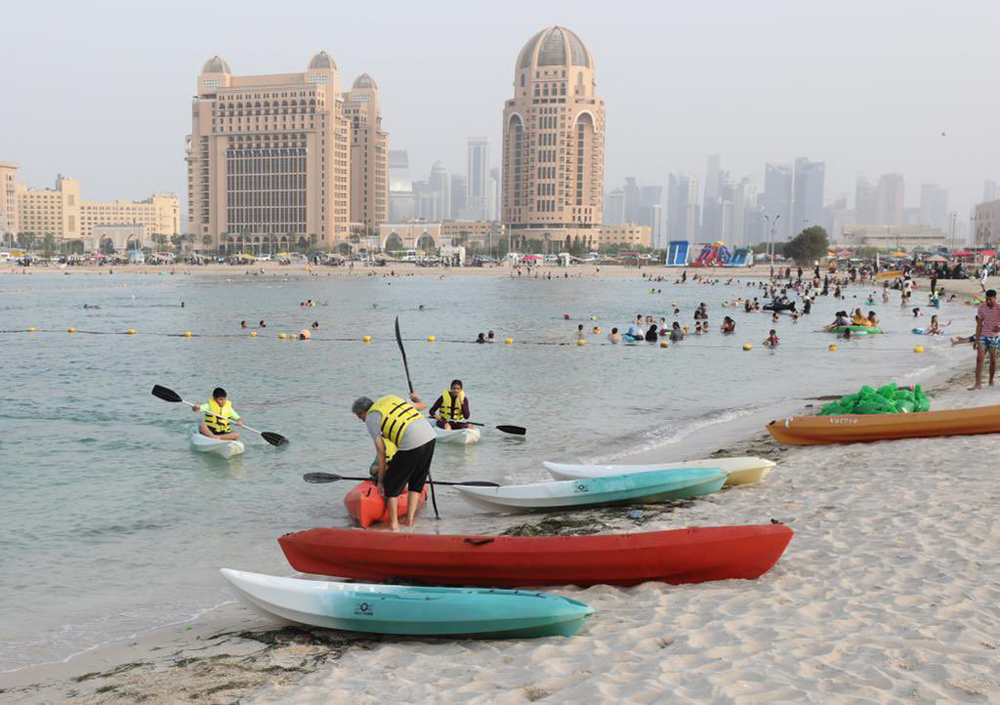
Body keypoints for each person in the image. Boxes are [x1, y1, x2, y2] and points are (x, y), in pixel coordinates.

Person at [352, 391, 436, 531]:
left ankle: (393, 525)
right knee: (417, 480)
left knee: (391, 484)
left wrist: (380, 482)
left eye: (359, 416)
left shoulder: (371, 418)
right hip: (430, 435)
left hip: (412, 440)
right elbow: (421, 406)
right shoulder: (391, 398)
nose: (361, 420)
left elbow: (381, 451)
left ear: (363, 412)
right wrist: (416, 397)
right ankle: (409, 522)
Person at [971, 289, 1000, 390]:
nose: (989, 302)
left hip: (994, 337)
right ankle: (977, 384)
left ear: (995, 298)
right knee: (979, 359)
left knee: (993, 360)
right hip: (983, 336)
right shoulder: (981, 307)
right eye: (987, 300)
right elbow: (979, 325)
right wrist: (976, 340)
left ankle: (991, 380)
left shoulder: (999, 307)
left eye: (991, 300)